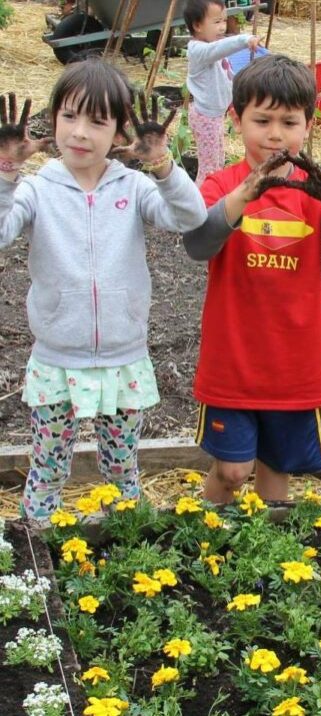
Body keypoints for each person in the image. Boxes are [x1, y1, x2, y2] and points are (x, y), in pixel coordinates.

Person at [0, 60, 207, 523]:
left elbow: (190, 218)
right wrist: (7, 171)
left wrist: (163, 165)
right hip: (57, 360)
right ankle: (36, 549)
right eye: (70, 116)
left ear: (118, 133)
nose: (80, 132)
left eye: (97, 121)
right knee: (49, 467)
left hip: (122, 359)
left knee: (121, 468)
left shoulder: (132, 187)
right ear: (52, 120)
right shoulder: (37, 190)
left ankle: (127, 545)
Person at [182, 55, 321, 504]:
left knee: (277, 470)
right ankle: (204, 544)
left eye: (289, 122)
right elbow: (197, 245)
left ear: (309, 125)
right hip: (232, 362)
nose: (274, 134)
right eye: (261, 120)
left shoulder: (313, 189)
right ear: (237, 120)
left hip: (294, 364)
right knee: (231, 470)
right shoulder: (220, 185)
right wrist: (246, 193)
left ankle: (266, 562)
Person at [183, 0, 260, 186]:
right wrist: (243, 40)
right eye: (216, 22)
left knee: (218, 160)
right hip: (205, 117)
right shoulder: (199, 50)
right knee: (209, 168)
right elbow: (220, 48)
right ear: (197, 25)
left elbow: (226, 75)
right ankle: (203, 203)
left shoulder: (210, 46)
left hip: (214, 115)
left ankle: (213, 195)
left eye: (224, 21)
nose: (222, 27)